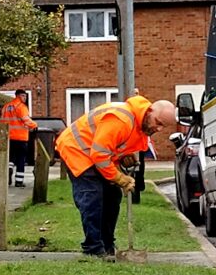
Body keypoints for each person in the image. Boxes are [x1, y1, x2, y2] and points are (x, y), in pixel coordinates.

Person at [54, 94, 181, 259]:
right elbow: (99, 154)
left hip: (93, 153)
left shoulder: (139, 125)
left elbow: (111, 147)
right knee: (92, 197)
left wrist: (122, 157)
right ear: (149, 111)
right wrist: (119, 178)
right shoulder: (121, 119)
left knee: (112, 195)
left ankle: (107, 245)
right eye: (158, 123)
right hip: (77, 150)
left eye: (163, 126)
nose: (159, 129)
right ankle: (93, 248)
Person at [0, 92, 36, 185]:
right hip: (21, 137)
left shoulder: (6, 107)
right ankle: (19, 181)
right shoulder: (21, 107)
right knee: (21, 159)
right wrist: (34, 125)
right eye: (24, 96)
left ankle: (9, 169)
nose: (25, 98)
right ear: (19, 96)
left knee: (10, 157)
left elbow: (1, 121)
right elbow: (26, 119)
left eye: (26, 96)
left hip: (8, 137)